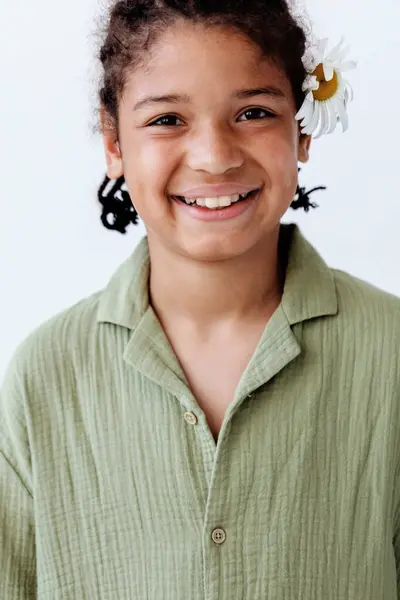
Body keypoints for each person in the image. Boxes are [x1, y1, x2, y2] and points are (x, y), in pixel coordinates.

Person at [1, 0, 399, 598]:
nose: (214, 156)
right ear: (113, 140)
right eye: (167, 120)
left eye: (254, 112)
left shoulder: (391, 353)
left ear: (303, 129)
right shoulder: (45, 375)